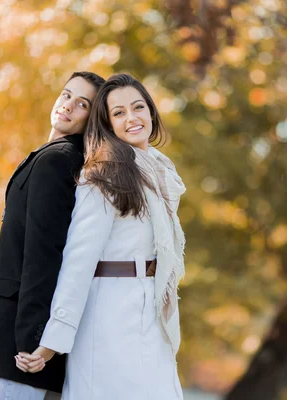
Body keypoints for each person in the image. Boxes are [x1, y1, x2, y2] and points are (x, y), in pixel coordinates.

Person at [15, 73, 186, 399]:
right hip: (109, 318)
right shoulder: (103, 173)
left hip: (152, 316)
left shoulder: (160, 172)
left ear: (151, 111)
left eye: (138, 107)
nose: (132, 118)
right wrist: (53, 341)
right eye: (118, 113)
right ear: (107, 124)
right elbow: (79, 259)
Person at [0, 71, 106, 399]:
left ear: (92, 119)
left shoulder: (58, 161)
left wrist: (34, 342)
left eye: (81, 104)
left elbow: (45, 254)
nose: (68, 105)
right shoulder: (51, 155)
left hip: (23, 344)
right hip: (16, 331)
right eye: (67, 94)